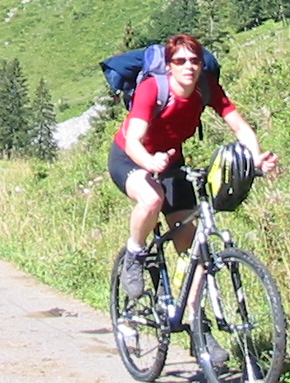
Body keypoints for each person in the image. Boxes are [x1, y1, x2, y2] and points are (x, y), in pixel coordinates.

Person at [111, 33, 276, 301]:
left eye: (195, 60)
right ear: (169, 66)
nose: (188, 66)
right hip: (129, 157)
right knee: (152, 198)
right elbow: (133, 140)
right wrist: (149, 162)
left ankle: (200, 329)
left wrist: (255, 157)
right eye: (180, 60)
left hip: (171, 162)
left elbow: (240, 127)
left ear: (201, 64)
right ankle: (135, 254)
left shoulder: (206, 87)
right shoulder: (152, 88)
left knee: (190, 246)